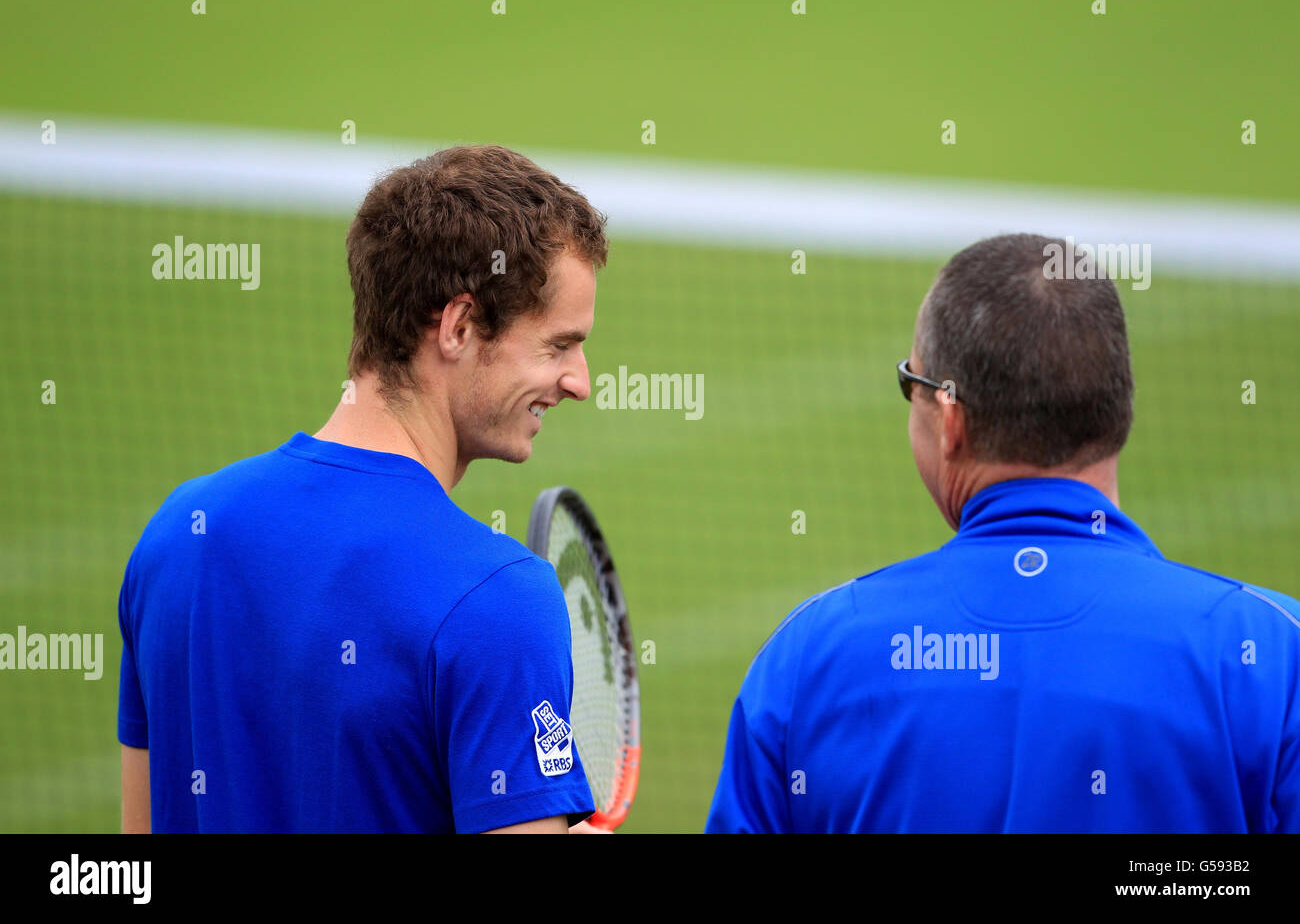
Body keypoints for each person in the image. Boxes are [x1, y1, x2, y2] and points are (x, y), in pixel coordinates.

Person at [706, 232, 1300, 833]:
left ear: (950, 421)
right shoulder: (1272, 660)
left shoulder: (809, 661)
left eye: (911, 384)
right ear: (1120, 409)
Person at [118, 145, 607, 833]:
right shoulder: (498, 597)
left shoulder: (177, 535)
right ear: (459, 328)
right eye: (558, 346)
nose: (579, 381)